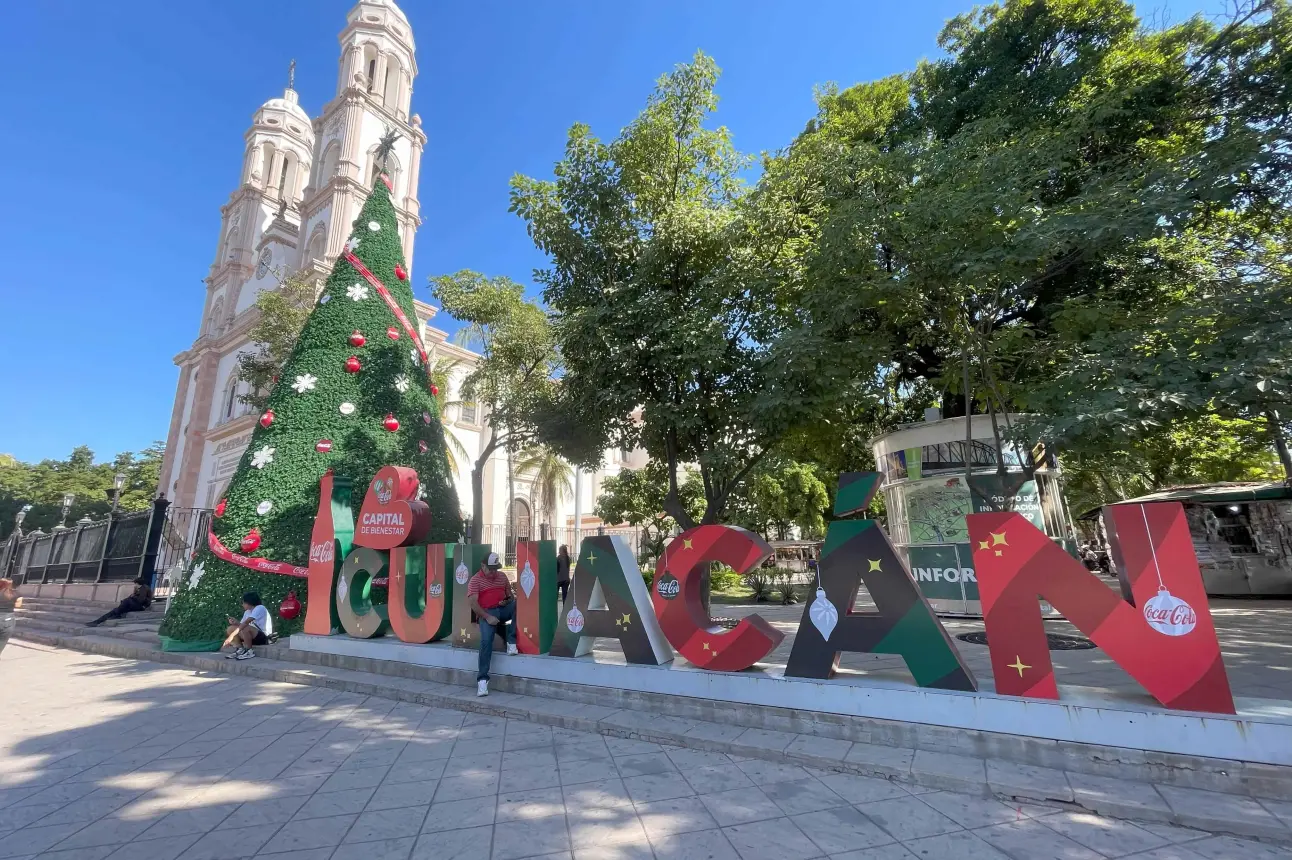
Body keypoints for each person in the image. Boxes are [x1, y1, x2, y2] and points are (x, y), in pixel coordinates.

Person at [468, 551, 517, 697]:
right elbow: (472, 603)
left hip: (502, 608)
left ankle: (512, 641)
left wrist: (507, 600)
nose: (494, 572)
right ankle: (482, 680)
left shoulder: (501, 577)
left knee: (519, 605)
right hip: (487, 613)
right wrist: (487, 617)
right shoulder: (475, 581)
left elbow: (510, 596)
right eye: (491, 569)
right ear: (483, 566)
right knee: (485, 641)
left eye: (496, 568)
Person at [222, 592, 273, 660]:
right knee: (230, 628)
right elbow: (241, 625)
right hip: (251, 635)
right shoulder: (247, 612)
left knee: (246, 628)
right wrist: (236, 622)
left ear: (249, 602)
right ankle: (240, 649)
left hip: (264, 637)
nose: (242, 605)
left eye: (243, 603)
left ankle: (249, 651)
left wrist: (231, 637)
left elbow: (245, 624)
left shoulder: (260, 608)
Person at [87, 577, 153, 627]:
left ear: (137, 583)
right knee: (117, 609)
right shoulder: (138, 588)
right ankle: (96, 622)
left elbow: (140, 600)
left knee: (125, 602)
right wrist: (133, 595)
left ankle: (114, 615)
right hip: (134, 605)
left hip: (141, 606)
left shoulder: (144, 589)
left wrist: (133, 597)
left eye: (135, 584)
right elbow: (134, 597)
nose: (134, 585)